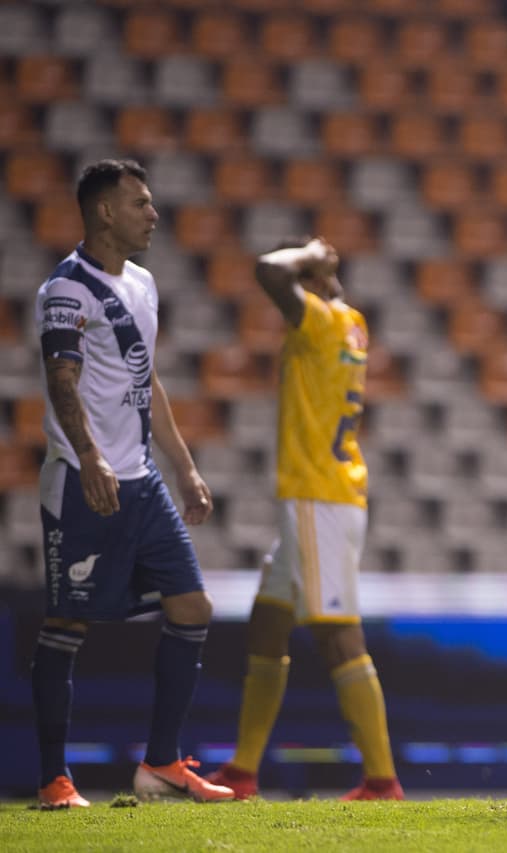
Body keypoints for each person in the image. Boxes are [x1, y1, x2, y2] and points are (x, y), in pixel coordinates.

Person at [31, 158, 234, 807]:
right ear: (106, 212)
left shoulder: (143, 284)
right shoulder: (66, 290)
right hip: (82, 481)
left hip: (142, 484)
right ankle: (54, 778)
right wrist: (89, 456)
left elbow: (145, 381)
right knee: (66, 623)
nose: (154, 214)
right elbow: (61, 381)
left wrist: (186, 467)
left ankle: (162, 763)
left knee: (192, 608)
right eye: (141, 203)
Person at [205, 238, 403, 801]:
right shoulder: (351, 322)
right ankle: (242, 771)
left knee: (339, 635)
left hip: (319, 497)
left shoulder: (319, 320)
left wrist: (308, 252)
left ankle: (382, 780)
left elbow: (268, 271)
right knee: (268, 622)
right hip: (323, 494)